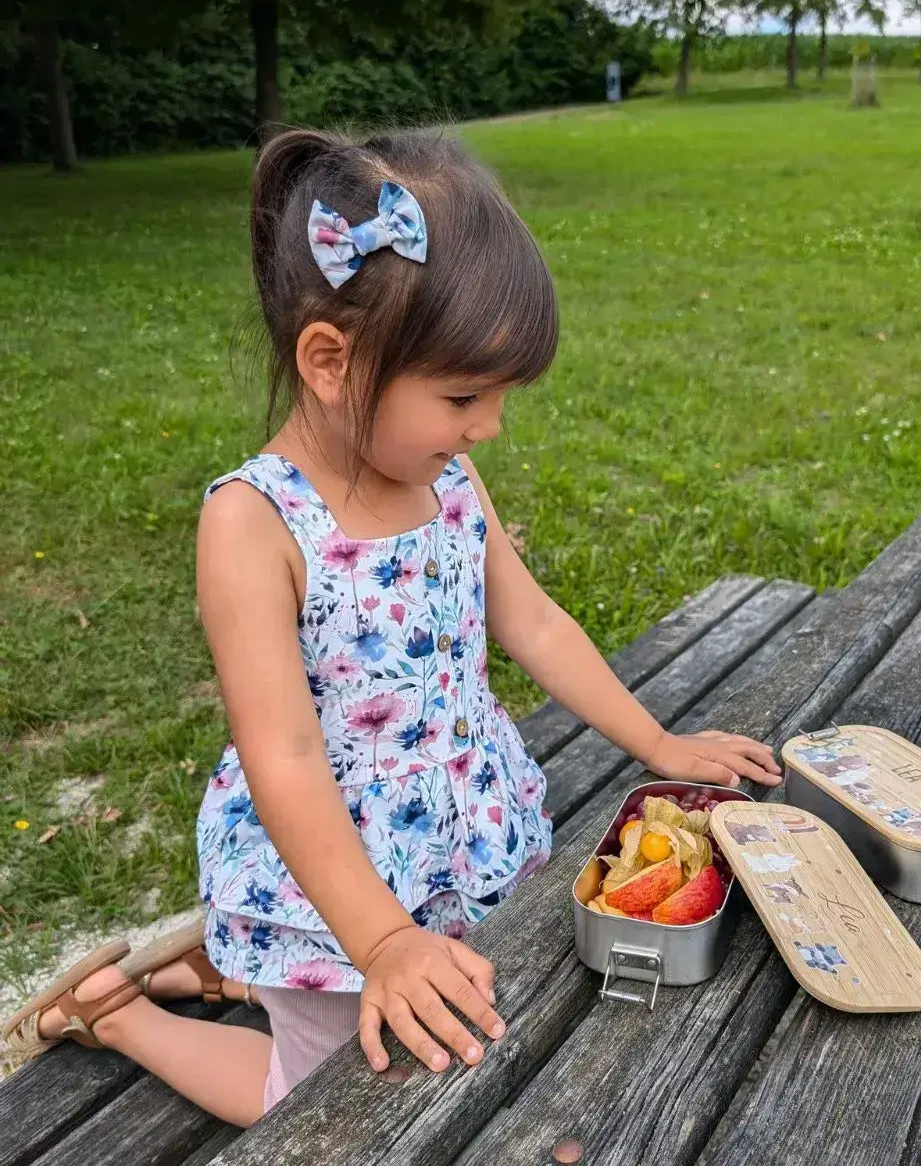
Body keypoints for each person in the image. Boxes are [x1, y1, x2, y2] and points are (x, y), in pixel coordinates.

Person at [1, 128, 779, 1125]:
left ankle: (231, 977)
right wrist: (377, 942)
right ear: (331, 362)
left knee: (458, 1009)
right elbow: (280, 758)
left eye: (500, 396)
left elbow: (532, 622)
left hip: (454, 840)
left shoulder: (446, 477)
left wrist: (663, 745)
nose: (489, 425)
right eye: (465, 395)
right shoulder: (254, 522)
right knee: (325, 1098)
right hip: (334, 875)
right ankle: (119, 1018)